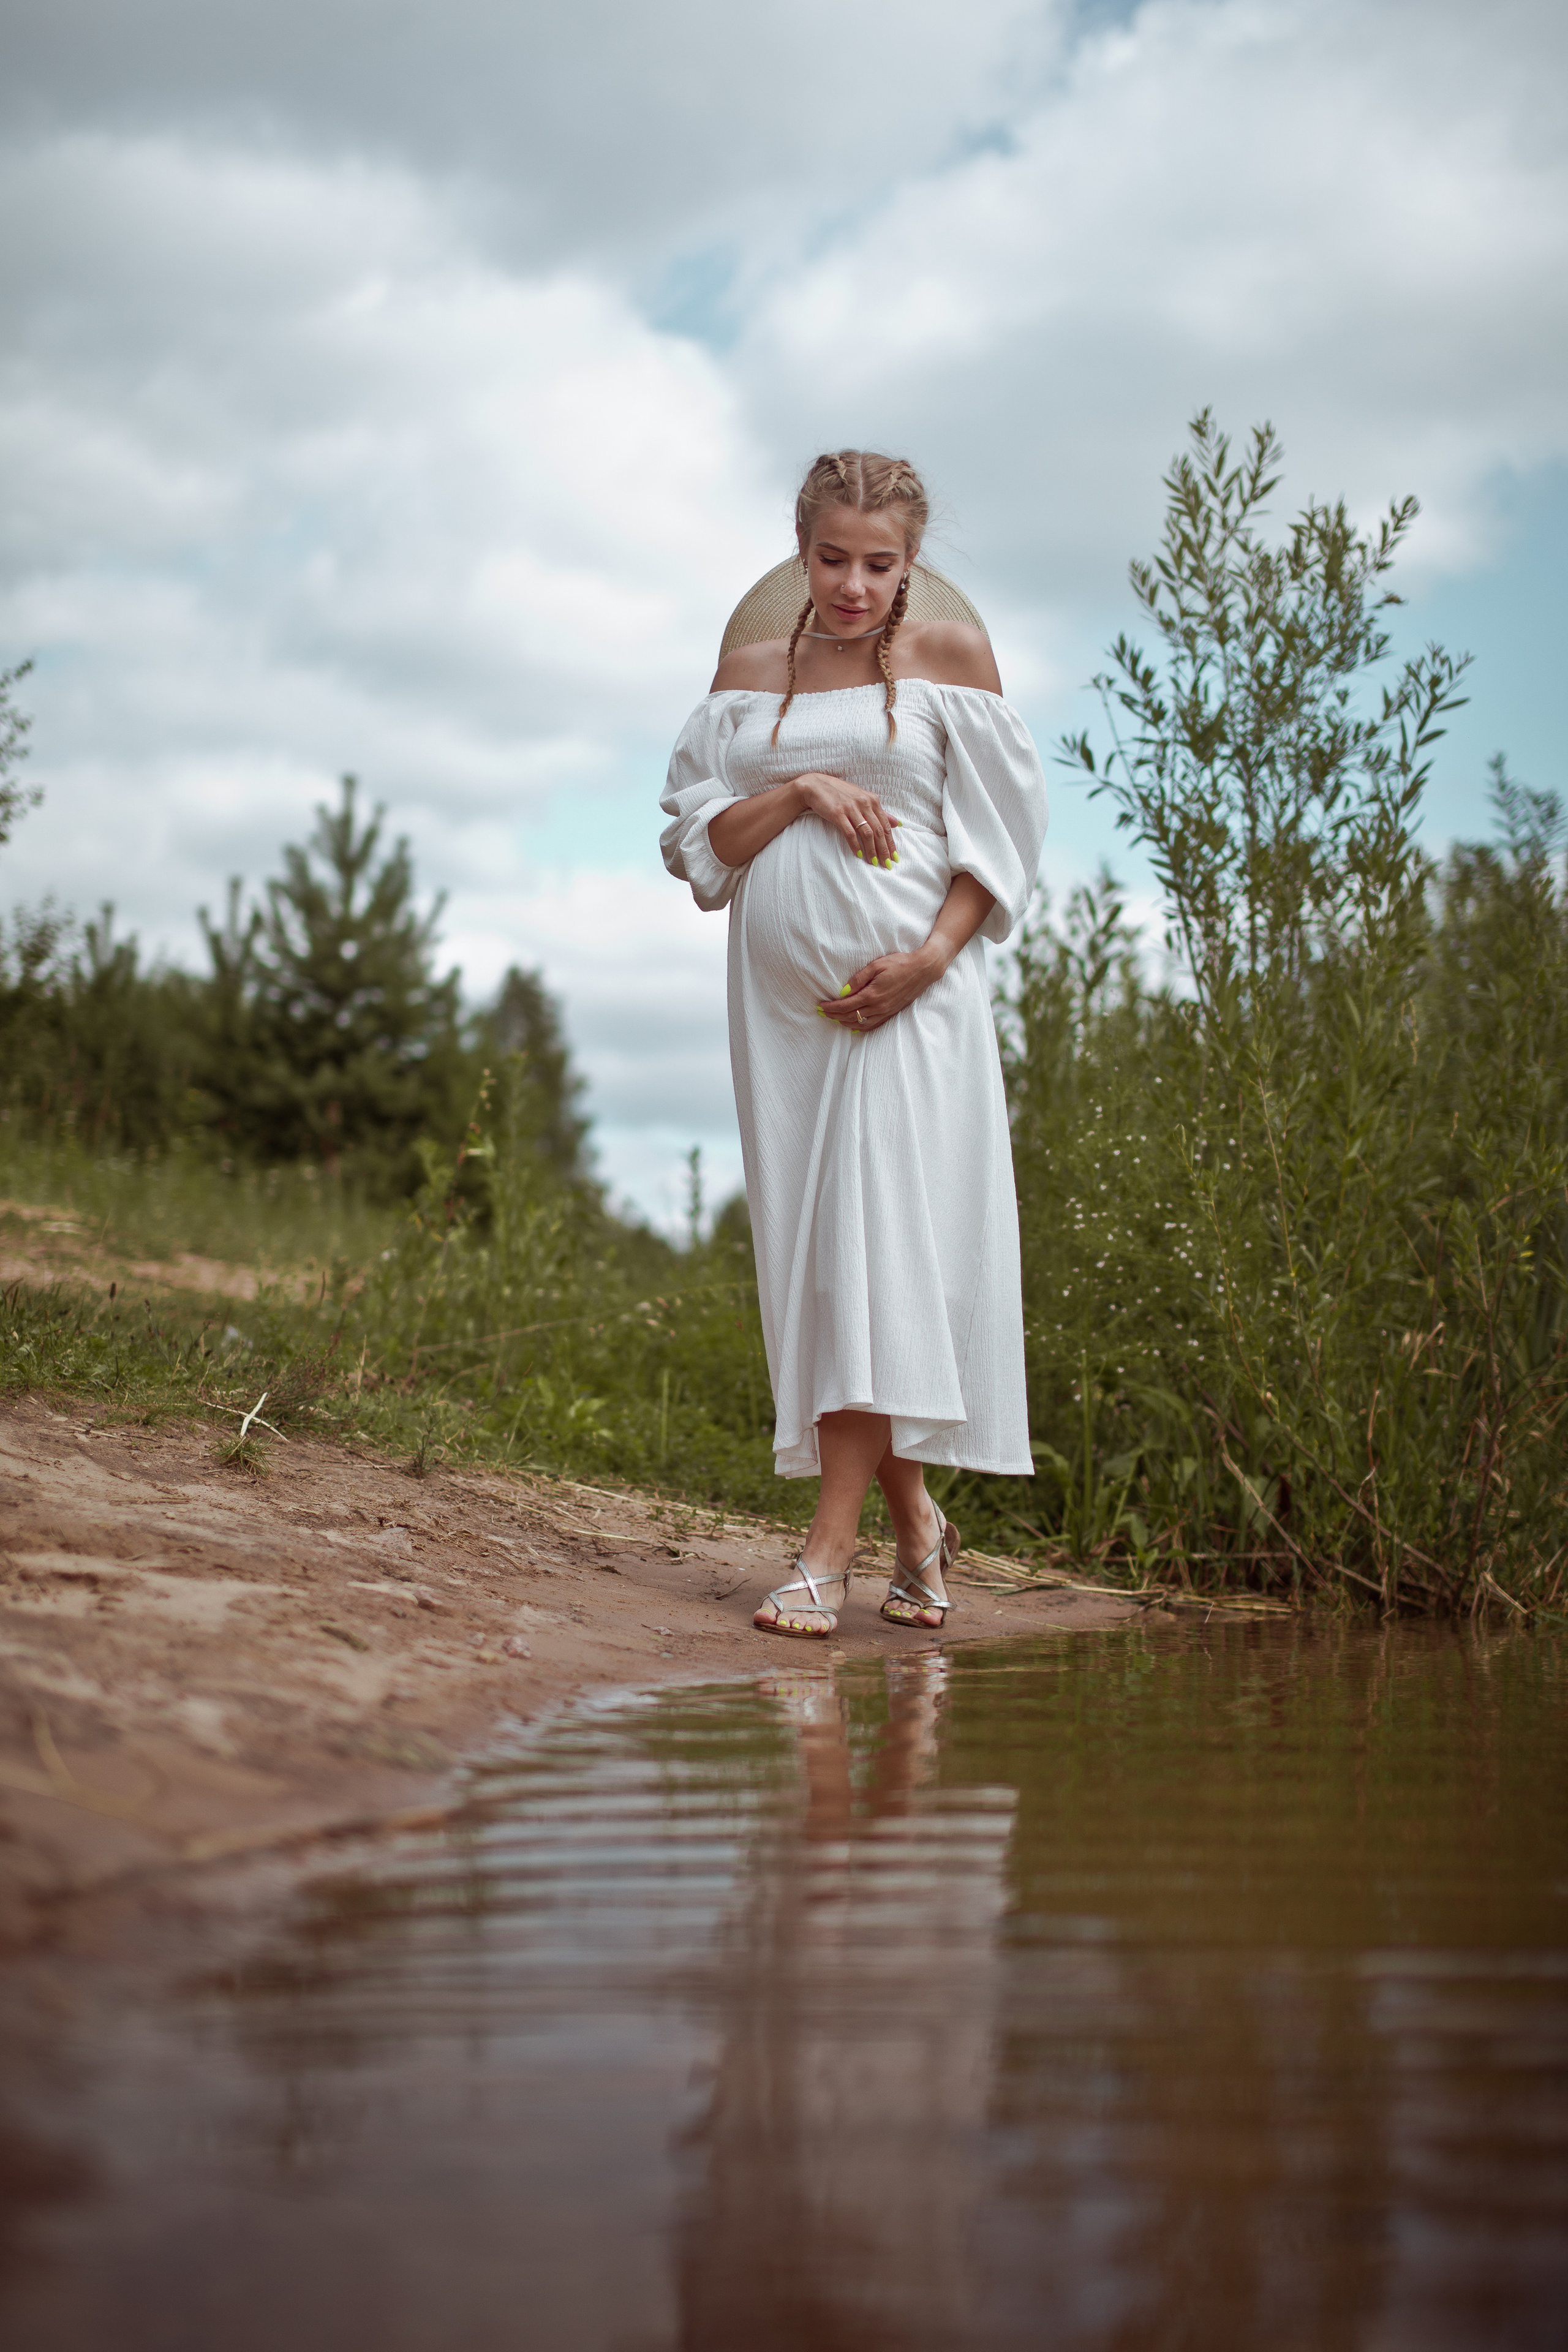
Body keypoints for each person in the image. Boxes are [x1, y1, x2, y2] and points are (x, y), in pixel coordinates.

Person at [660, 450, 1047, 1638]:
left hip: (908, 1007)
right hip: (785, 1024)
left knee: (876, 1258)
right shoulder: (743, 677)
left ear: (909, 566)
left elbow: (1004, 841)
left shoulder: (949, 664)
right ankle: (919, 1532)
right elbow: (696, 847)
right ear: (799, 548)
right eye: (831, 558)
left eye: (878, 565)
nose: (851, 585)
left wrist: (929, 962)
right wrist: (808, 788)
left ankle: (826, 1555)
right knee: (833, 1273)